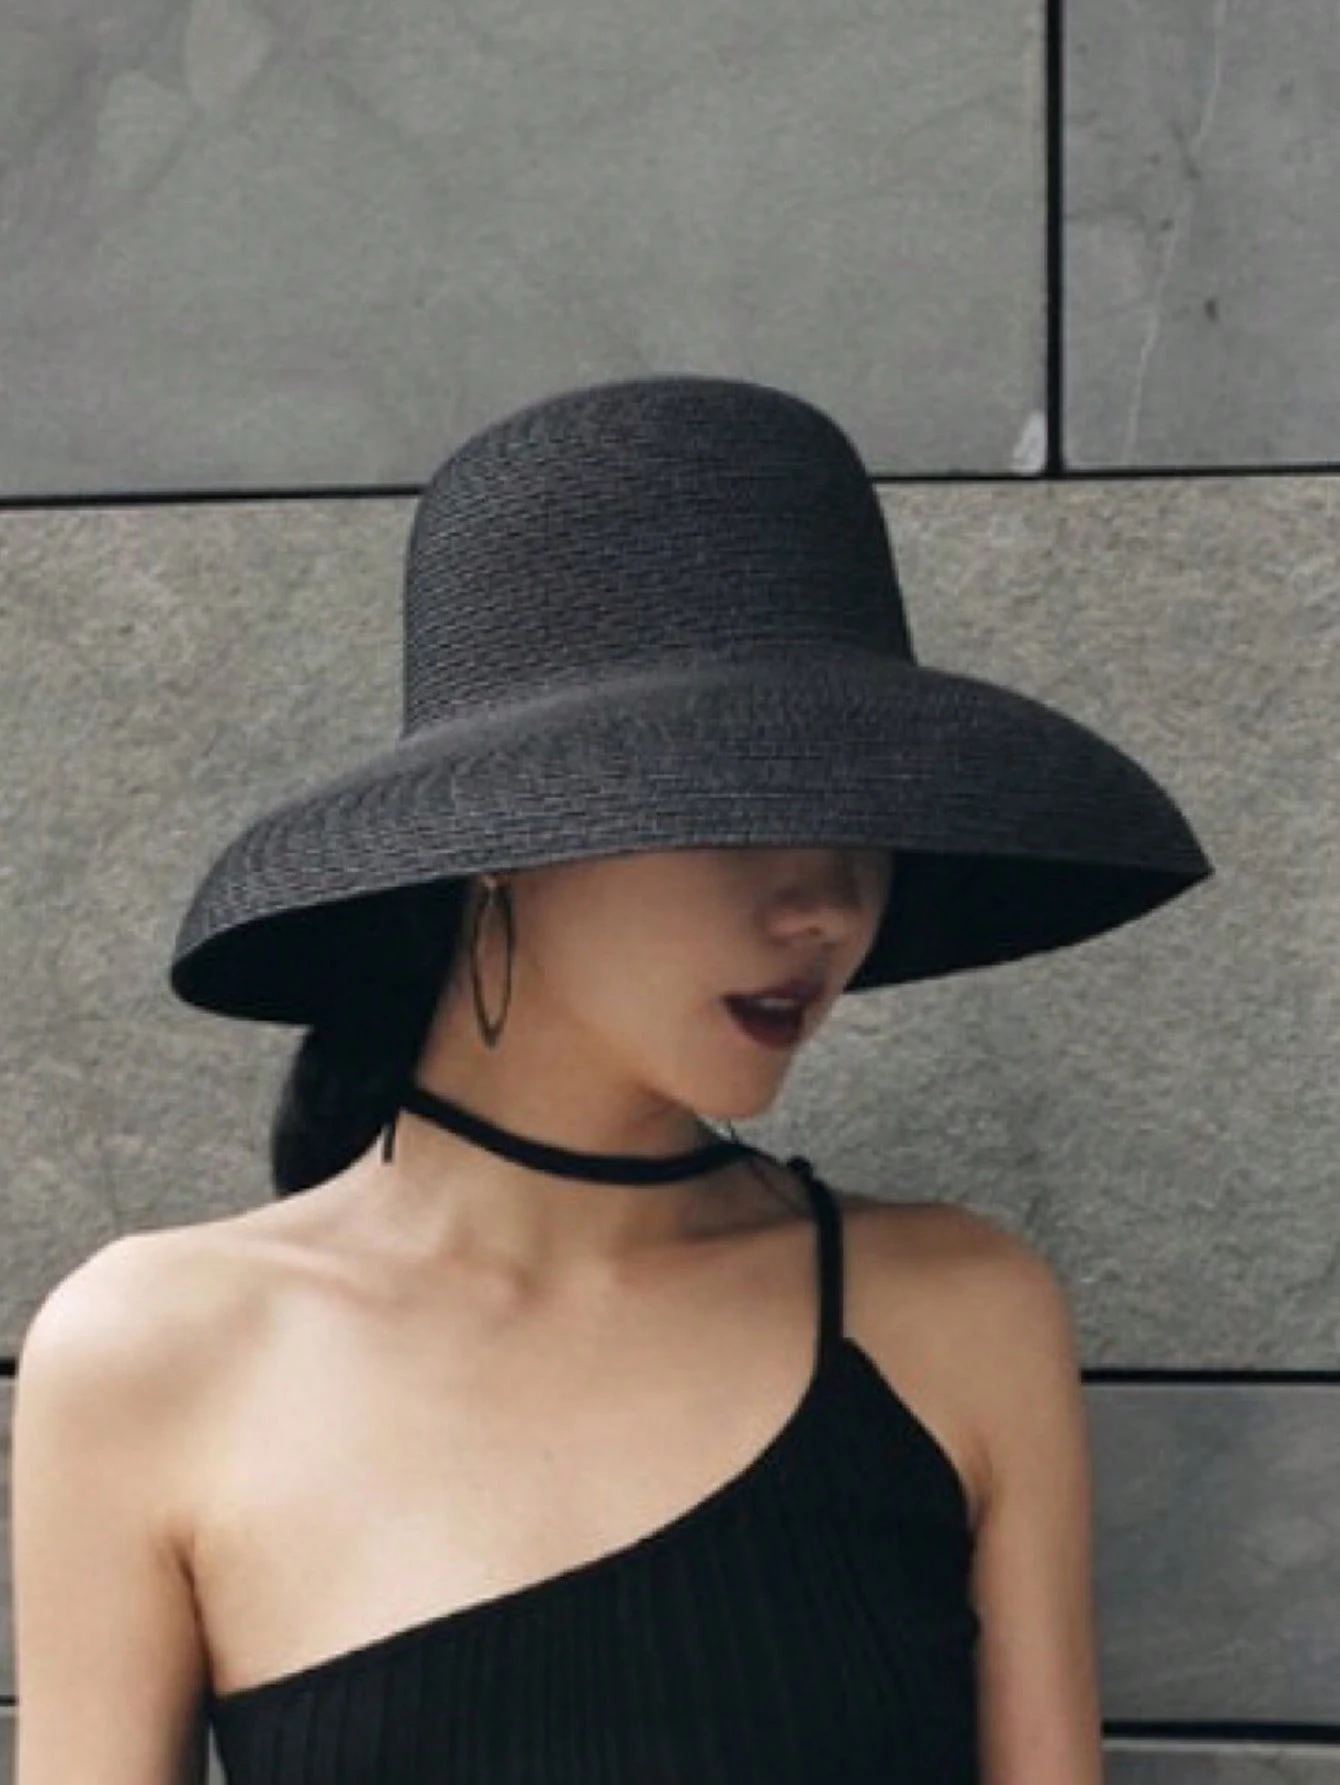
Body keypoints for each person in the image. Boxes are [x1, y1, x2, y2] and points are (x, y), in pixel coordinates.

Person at [10, 374, 1213, 1784]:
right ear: (499, 838)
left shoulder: (955, 1310)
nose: (827, 906)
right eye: (742, 809)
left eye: (868, 824)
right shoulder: (156, 1353)